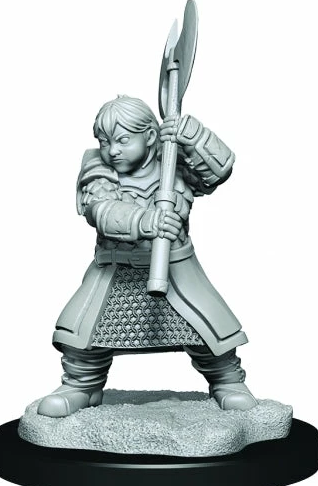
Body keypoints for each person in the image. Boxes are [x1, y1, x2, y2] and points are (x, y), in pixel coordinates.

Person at [37, 95, 257, 417]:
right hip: (115, 272)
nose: (112, 150)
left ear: (150, 136)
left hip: (176, 270)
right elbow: (100, 210)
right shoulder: (99, 169)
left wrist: (190, 134)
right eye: (105, 142)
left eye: (123, 140)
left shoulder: (173, 160)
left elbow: (218, 171)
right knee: (84, 336)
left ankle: (227, 380)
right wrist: (145, 221)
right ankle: (82, 385)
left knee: (208, 331)